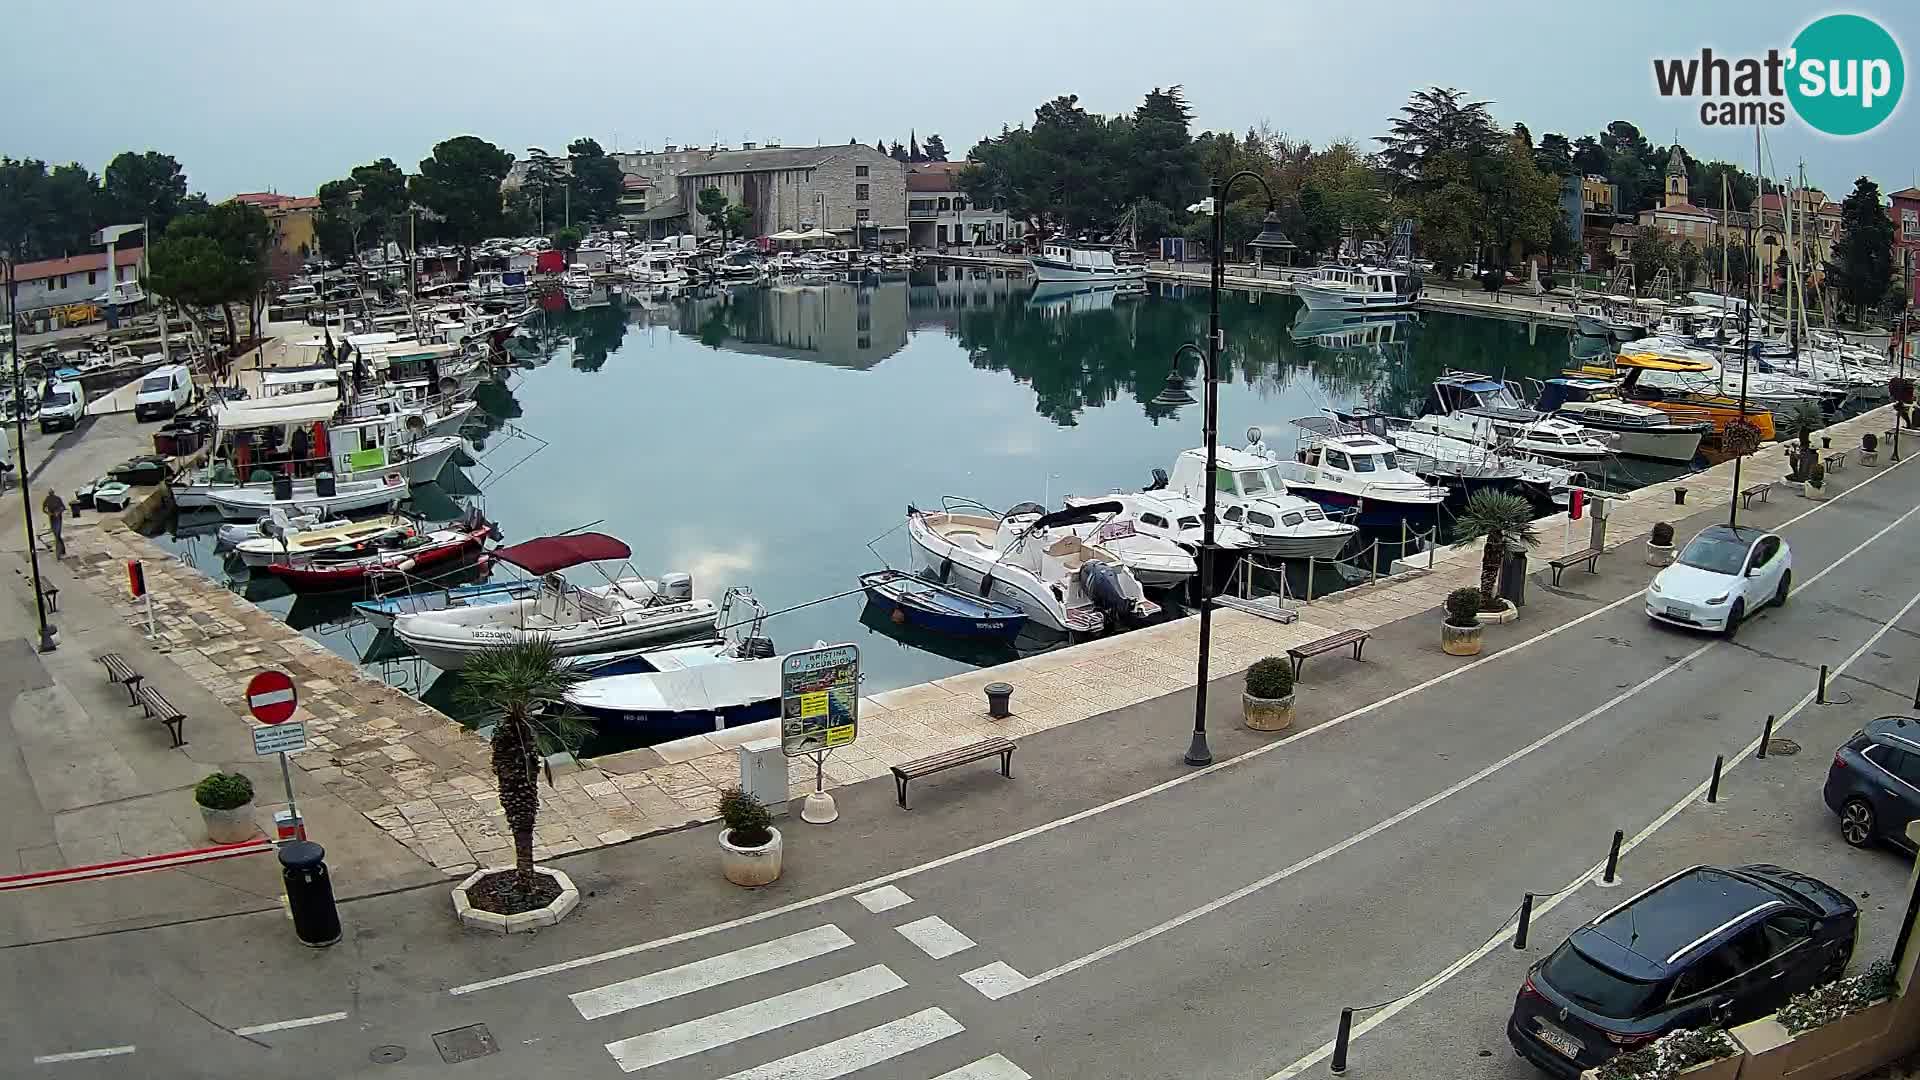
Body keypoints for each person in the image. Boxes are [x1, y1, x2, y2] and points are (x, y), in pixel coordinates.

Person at [42, 489, 66, 558]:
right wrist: (48, 513)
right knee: (56, 535)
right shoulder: (47, 499)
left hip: (58, 518)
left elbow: (63, 507)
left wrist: (58, 512)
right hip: (52, 518)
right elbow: (43, 509)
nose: (51, 495)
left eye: (51, 493)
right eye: (50, 494)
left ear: (53, 493)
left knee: (57, 534)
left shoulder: (57, 499)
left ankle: (59, 552)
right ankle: (62, 550)